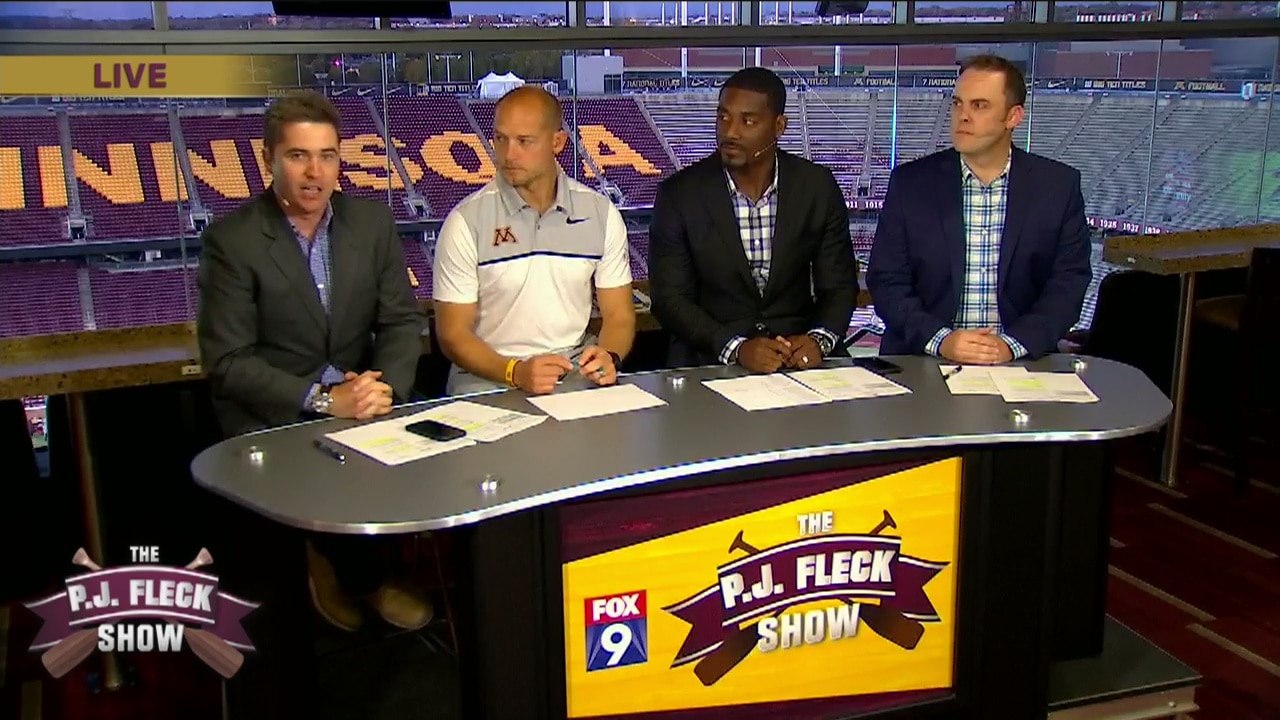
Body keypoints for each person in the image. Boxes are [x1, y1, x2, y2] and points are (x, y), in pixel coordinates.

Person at [197, 90, 432, 633]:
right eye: (298, 155)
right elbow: (227, 362)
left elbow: (401, 321)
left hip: (361, 397)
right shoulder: (232, 241)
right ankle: (357, 576)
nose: (314, 172)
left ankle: (358, 564)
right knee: (326, 470)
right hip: (275, 410)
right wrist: (325, 399)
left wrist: (383, 389)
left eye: (327, 155)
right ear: (269, 159)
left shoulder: (370, 224)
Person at [866, 54, 1092, 363]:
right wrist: (942, 340)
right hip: (925, 358)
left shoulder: (1058, 187)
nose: (963, 116)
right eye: (958, 103)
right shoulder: (910, 184)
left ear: (1013, 117)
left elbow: (1068, 285)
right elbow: (887, 281)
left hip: (1020, 361)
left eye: (979, 105)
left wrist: (1012, 345)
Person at [647, 67, 859, 372]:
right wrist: (737, 349)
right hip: (711, 361)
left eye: (748, 121)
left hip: (798, 359)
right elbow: (669, 300)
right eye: (723, 117)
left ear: (779, 126)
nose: (730, 132)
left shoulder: (817, 187)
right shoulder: (679, 195)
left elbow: (839, 286)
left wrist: (819, 340)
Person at [431, 86, 636, 395]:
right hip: (487, 377)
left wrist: (608, 356)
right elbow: (452, 335)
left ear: (557, 142)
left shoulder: (600, 214)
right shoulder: (464, 222)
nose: (508, 154)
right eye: (500, 139)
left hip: (574, 372)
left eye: (524, 141)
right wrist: (515, 372)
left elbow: (619, 315)